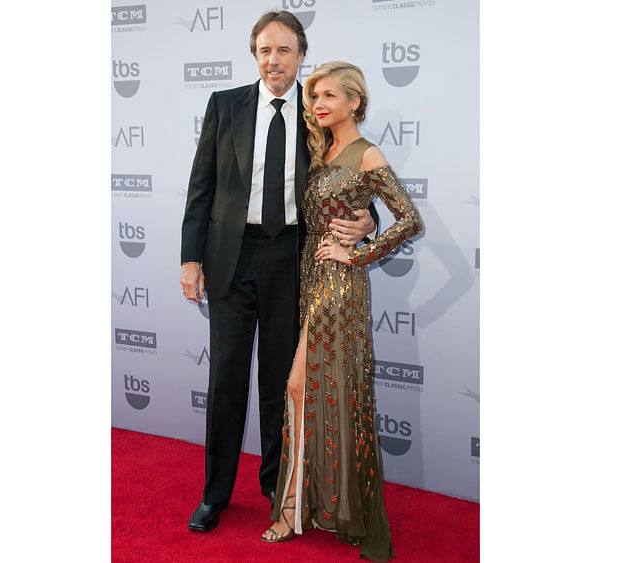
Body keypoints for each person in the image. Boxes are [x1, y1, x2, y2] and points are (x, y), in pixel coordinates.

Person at [180, 12, 378, 533]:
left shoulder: (319, 117)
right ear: (255, 55)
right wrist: (189, 258)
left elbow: (350, 179)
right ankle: (215, 494)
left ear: (300, 56)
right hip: (230, 259)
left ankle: (275, 486)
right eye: (265, 50)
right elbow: (200, 187)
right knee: (225, 383)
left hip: (291, 260)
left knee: (278, 384)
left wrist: (368, 219)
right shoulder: (225, 106)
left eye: (284, 50)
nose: (274, 60)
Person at [259, 61, 423, 562]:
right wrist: (364, 224)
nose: (319, 103)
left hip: (339, 284)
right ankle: (309, 505)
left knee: (299, 386)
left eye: (330, 95)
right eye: (314, 97)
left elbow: (409, 220)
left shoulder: (366, 153)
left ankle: (293, 510)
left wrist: (362, 250)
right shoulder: (320, 149)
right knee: (316, 392)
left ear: (355, 101)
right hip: (308, 278)